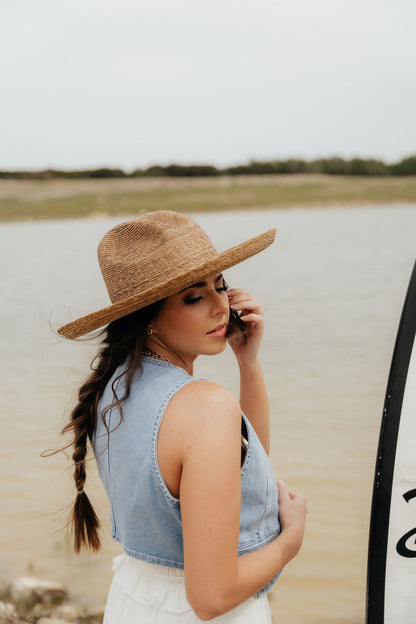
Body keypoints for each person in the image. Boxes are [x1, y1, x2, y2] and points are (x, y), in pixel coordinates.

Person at [57, 210, 307, 623]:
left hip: (133, 601)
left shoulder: (112, 389)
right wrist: (290, 541)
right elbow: (212, 597)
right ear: (148, 317)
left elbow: (242, 464)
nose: (220, 307)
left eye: (221, 286)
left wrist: (249, 363)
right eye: (194, 296)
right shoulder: (204, 405)